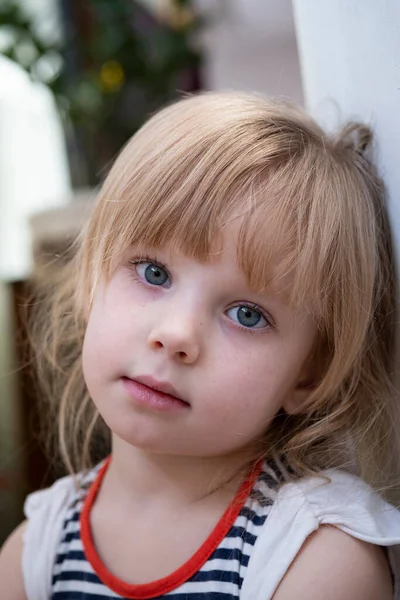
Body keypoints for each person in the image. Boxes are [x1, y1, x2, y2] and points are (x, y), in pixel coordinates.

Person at [1, 91, 400, 600]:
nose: (177, 334)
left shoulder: (314, 558)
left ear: (309, 376)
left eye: (247, 314)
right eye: (153, 272)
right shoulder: (36, 553)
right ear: (90, 286)